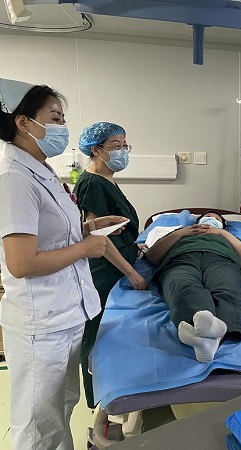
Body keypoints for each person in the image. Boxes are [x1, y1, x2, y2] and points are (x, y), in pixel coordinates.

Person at [0, 78, 127, 450]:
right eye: (55, 118)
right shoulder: (14, 178)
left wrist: (88, 228)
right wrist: (86, 248)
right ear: (23, 122)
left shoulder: (41, 170)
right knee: (40, 426)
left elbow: (48, 234)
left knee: (61, 408)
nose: (63, 126)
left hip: (66, 314)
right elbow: (22, 262)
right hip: (42, 322)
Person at [74, 121, 147, 409]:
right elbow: (98, 238)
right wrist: (132, 273)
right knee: (97, 333)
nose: (122, 151)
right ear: (96, 150)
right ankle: (98, 400)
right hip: (105, 270)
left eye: (125, 145)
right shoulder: (92, 183)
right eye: (116, 146)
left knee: (111, 332)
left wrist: (134, 246)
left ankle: (116, 390)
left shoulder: (107, 179)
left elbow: (116, 229)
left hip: (120, 259)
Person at [147, 211, 241, 362]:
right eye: (207, 217)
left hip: (221, 260)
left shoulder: (226, 236)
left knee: (226, 289)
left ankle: (207, 339)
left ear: (223, 225)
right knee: (183, 285)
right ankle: (206, 332)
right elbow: (153, 257)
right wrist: (181, 233)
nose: (212, 219)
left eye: (217, 219)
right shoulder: (179, 233)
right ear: (198, 221)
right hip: (181, 259)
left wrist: (221, 233)